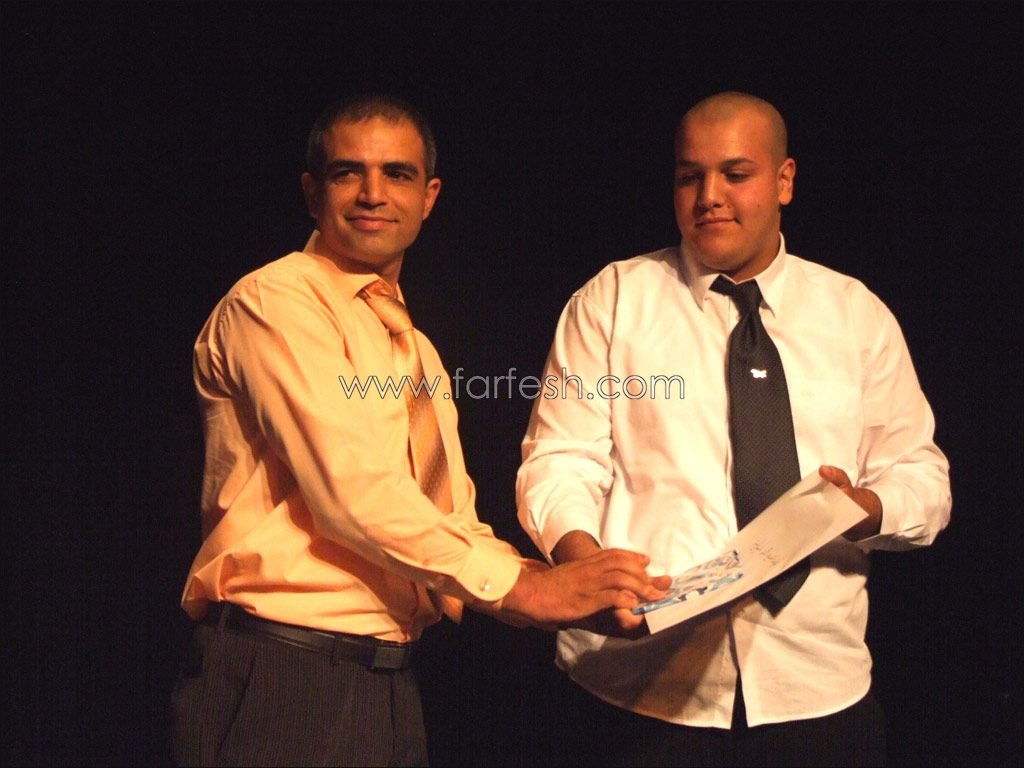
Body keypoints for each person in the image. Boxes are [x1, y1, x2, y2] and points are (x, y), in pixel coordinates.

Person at [171, 94, 666, 767]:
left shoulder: (415, 350)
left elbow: (449, 520)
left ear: (428, 197)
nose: (373, 194)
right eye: (348, 172)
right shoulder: (275, 301)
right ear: (312, 193)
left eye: (397, 174)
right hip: (284, 675)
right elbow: (354, 492)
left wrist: (579, 593)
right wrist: (526, 589)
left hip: (385, 682)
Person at [516, 91, 951, 766]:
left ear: (784, 181)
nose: (709, 197)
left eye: (735, 174)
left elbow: (922, 477)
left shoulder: (855, 314)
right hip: (637, 690)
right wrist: (584, 566)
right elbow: (559, 460)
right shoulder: (614, 299)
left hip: (816, 690)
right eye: (689, 176)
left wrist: (862, 507)